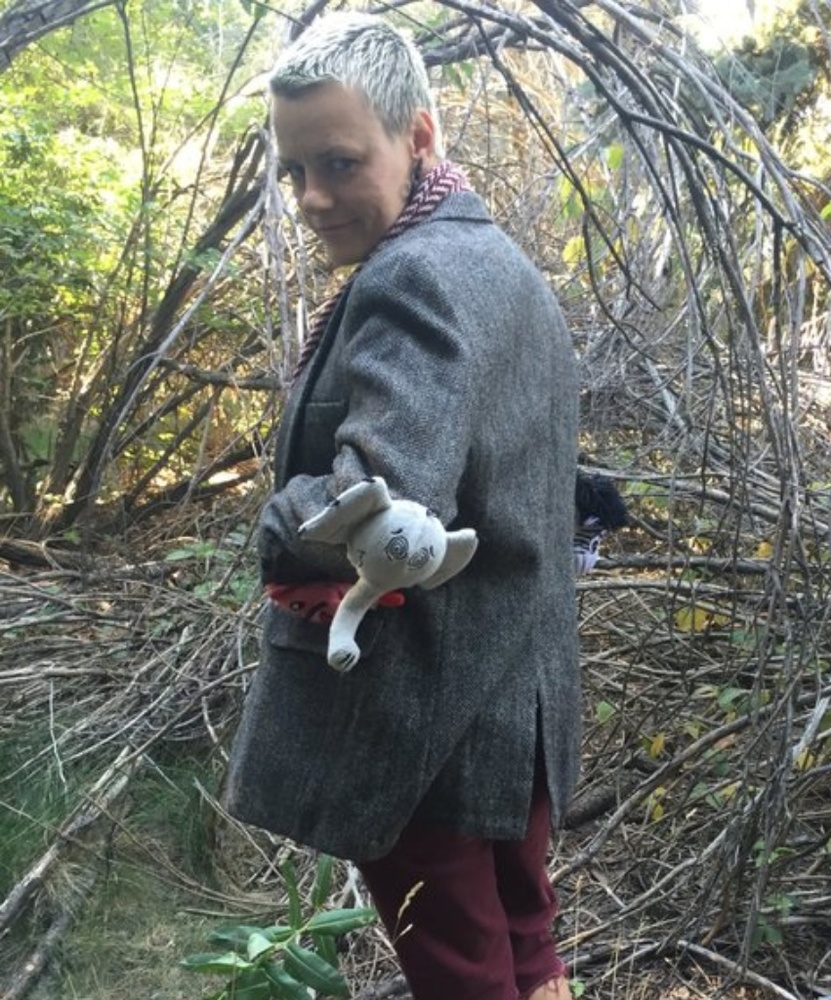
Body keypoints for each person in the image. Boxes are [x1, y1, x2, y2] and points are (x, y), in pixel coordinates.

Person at [223, 13, 580, 1000]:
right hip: (517, 705)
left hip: (425, 713)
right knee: (523, 950)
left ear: (419, 136)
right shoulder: (503, 267)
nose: (312, 197)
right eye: (295, 171)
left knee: (464, 974)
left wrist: (272, 518)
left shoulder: (412, 275)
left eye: (339, 161)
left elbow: (378, 517)